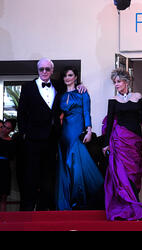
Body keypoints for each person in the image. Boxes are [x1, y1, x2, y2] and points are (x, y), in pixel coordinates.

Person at [17, 58, 87, 211]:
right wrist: (24, 134)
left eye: (47, 69)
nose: (44, 72)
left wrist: (81, 85)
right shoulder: (28, 87)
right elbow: (21, 113)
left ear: (52, 71)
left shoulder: (58, 85)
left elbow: (72, 85)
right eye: (41, 69)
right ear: (37, 70)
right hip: (32, 139)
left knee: (48, 177)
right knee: (30, 176)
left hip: (52, 139)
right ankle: (27, 211)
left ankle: (44, 211)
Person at [103, 68, 142, 220]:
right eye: (114, 82)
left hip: (134, 141)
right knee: (121, 175)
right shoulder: (113, 100)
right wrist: (106, 144)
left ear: (126, 81)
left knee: (134, 172)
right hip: (119, 141)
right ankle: (127, 207)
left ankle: (134, 204)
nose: (116, 84)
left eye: (118, 81)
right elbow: (110, 122)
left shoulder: (138, 97)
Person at [55, 66, 104, 210]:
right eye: (65, 76)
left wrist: (89, 131)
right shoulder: (60, 96)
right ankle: (68, 201)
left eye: (70, 75)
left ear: (76, 77)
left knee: (75, 163)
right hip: (64, 133)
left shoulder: (83, 93)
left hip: (77, 131)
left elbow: (86, 113)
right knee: (65, 165)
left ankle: (79, 200)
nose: (67, 78)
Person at [0, 119, 17, 211]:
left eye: (8, 128)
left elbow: (11, 157)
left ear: (12, 130)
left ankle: (3, 221)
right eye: (3, 126)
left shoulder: (11, 143)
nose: (4, 129)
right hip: (5, 167)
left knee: (3, 197)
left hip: (4, 169)